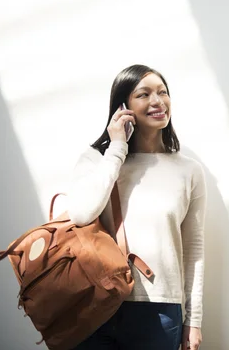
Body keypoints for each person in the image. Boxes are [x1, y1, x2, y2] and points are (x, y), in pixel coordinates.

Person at [67, 64, 206, 350]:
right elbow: (81, 213)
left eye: (162, 92)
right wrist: (117, 148)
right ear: (123, 106)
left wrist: (194, 320)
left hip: (159, 310)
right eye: (144, 94)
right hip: (95, 303)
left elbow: (194, 249)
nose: (157, 101)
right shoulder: (97, 160)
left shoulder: (188, 171)